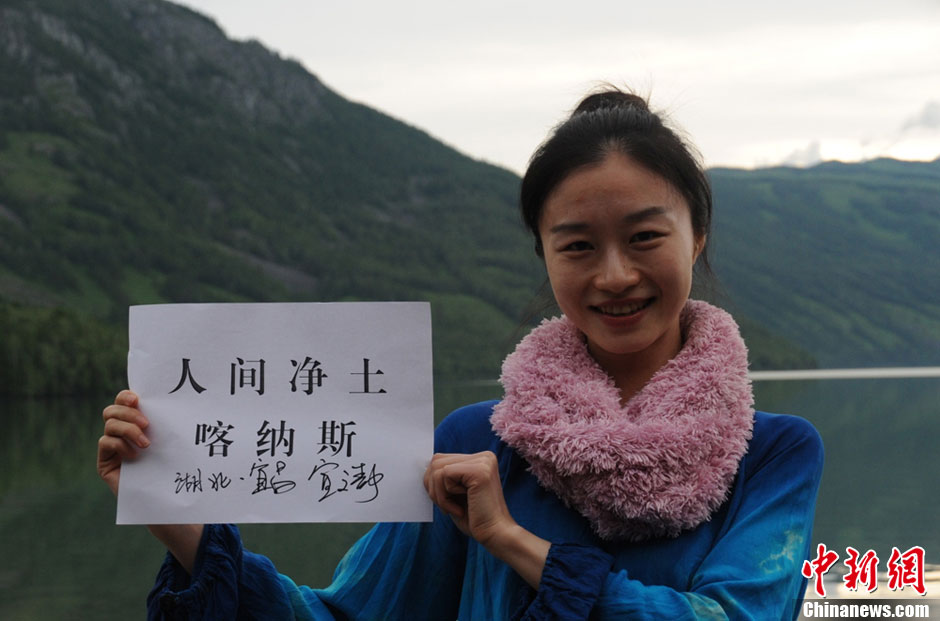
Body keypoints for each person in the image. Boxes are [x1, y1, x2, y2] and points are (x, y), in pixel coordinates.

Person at [98, 87, 824, 619]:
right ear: (545, 255)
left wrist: (510, 539)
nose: (613, 275)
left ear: (696, 233)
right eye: (576, 245)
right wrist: (181, 522)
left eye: (644, 236)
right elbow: (345, 617)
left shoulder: (772, 452)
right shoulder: (471, 445)